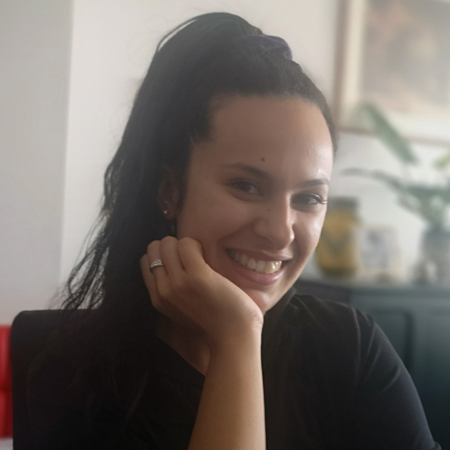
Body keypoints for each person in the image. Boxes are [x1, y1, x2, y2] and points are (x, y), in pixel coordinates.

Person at [27, 12, 440, 450]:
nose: (280, 232)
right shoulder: (68, 367)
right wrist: (237, 337)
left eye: (308, 197)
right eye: (247, 186)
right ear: (170, 190)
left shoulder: (350, 348)